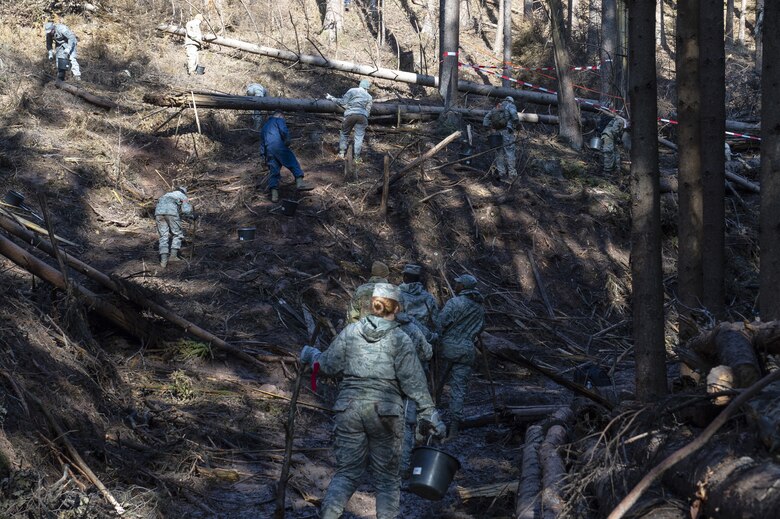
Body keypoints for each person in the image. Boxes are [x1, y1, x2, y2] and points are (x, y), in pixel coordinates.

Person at [300, 283, 446, 519]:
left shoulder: (351, 331)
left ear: (372, 304)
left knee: (346, 474)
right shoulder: (400, 339)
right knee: (388, 481)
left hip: (348, 409)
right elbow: (414, 383)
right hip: (386, 412)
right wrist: (430, 413)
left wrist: (311, 354)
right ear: (397, 308)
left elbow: (327, 365)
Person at [436, 274, 485, 440]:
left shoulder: (454, 303)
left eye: (457, 284)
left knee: (437, 386)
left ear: (463, 287)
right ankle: (454, 430)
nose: (455, 286)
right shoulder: (479, 308)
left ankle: (431, 422)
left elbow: (440, 323)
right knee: (458, 390)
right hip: (467, 351)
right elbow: (480, 329)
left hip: (448, 349)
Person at [396, 310, 434, 477]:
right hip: (411, 380)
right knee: (406, 425)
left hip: (383, 382)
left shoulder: (383, 329)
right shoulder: (414, 329)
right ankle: (403, 468)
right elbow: (427, 353)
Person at [261, 111, 313, 202]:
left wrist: (262, 155)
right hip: (278, 146)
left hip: (269, 150)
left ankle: (274, 196)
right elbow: (284, 130)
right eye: (284, 118)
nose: (284, 120)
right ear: (280, 115)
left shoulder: (265, 126)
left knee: (274, 171)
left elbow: (262, 143)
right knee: (292, 162)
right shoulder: (278, 120)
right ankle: (300, 183)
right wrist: (287, 141)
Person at [326, 80, 373, 163]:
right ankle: (357, 158)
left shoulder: (352, 91)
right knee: (359, 137)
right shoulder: (369, 96)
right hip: (363, 117)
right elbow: (368, 111)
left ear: (360, 85)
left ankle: (341, 154)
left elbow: (343, 102)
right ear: (367, 88)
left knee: (344, 133)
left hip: (350, 115)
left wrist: (331, 98)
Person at [155, 186, 193, 267]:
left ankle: (163, 261)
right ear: (184, 192)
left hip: (158, 213)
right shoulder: (182, 195)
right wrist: (192, 215)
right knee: (177, 234)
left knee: (163, 236)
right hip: (171, 213)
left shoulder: (166, 195)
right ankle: (173, 256)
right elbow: (186, 210)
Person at [399, 264, 439, 338]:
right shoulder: (429, 297)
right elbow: (436, 320)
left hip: (405, 338)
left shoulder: (397, 294)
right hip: (424, 337)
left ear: (405, 277)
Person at [483, 96, 519, 179]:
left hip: (497, 133)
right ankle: (512, 174)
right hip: (507, 132)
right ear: (511, 101)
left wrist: (488, 128)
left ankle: (501, 172)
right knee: (509, 152)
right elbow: (514, 115)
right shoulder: (511, 105)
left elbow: (486, 119)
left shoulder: (497, 107)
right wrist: (517, 124)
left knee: (499, 152)